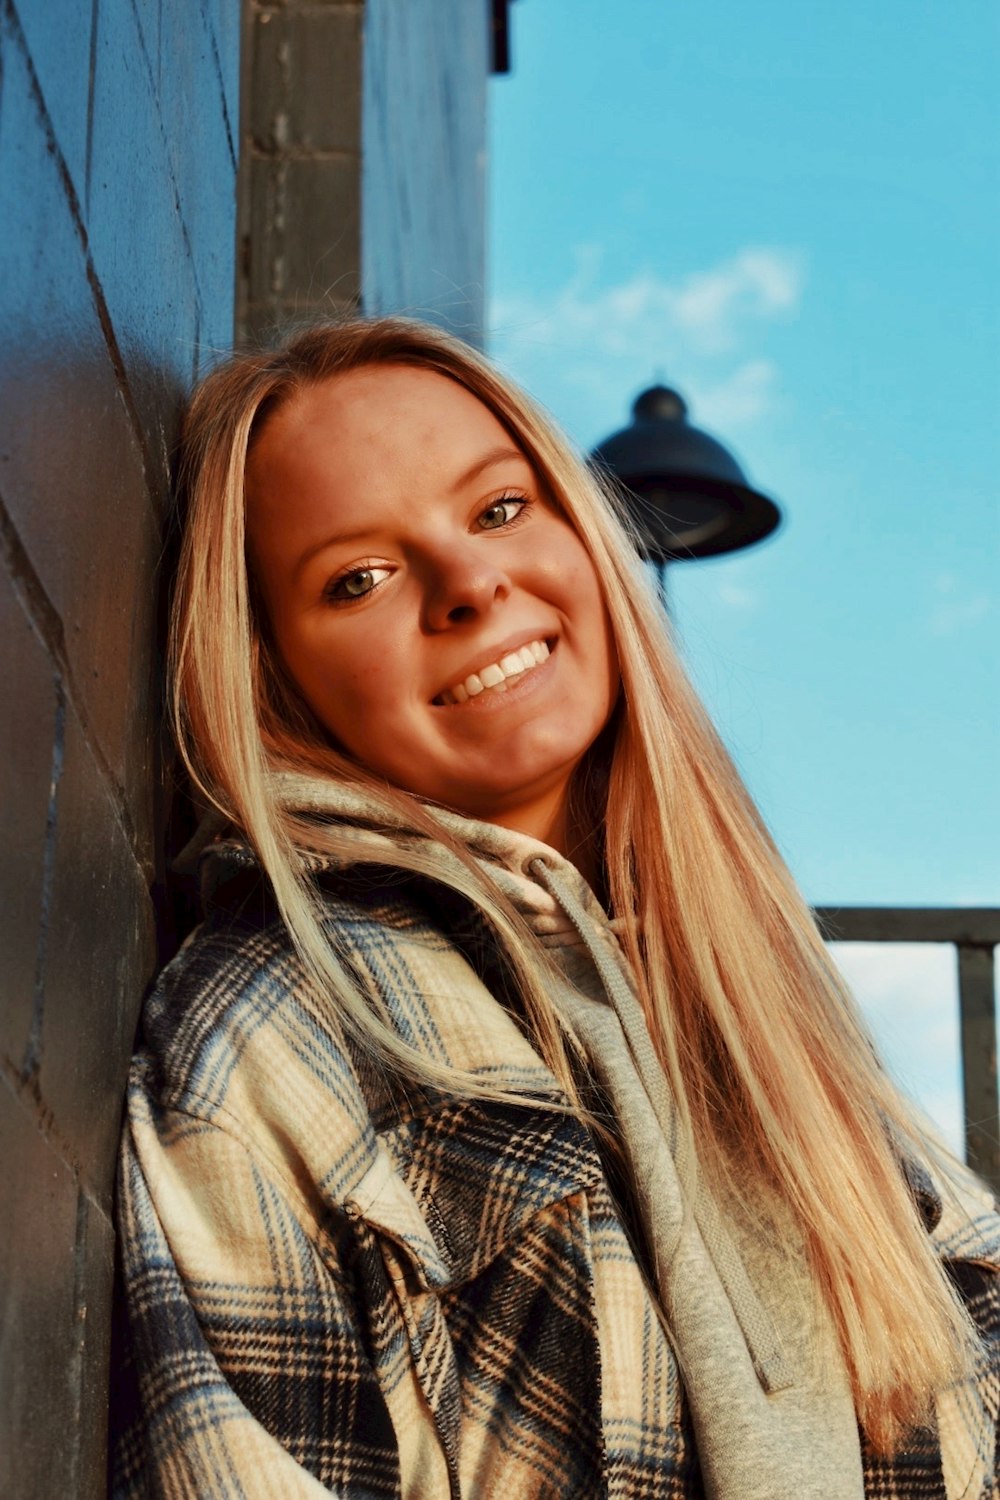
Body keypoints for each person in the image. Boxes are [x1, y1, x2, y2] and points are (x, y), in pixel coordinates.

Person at [111, 316, 1000, 1500]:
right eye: (358, 578)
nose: (471, 582)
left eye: (498, 509)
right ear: (273, 672)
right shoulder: (272, 1026)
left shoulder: (763, 1017)